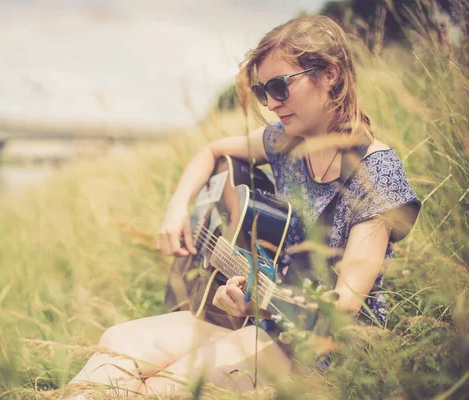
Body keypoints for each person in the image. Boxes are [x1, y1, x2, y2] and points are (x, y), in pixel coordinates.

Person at [66, 15, 421, 398]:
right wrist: (177, 209)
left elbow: (346, 304)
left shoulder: (376, 171)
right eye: (261, 91)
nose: (270, 103)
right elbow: (212, 151)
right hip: (264, 321)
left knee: (162, 385)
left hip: (320, 347)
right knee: (116, 343)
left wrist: (258, 305)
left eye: (279, 86)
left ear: (331, 74)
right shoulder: (286, 141)